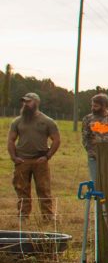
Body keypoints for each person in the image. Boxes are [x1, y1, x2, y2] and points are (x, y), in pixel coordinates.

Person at [7, 92, 61, 221]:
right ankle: (23, 217)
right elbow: (10, 140)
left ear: (36, 103)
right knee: (22, 190)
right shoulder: (17, 121)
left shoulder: (47, 121)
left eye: (28, 101)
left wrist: (48, 156)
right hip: (22, 161)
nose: (25, 104)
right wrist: (14, 157)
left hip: (40, 161)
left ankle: (48, 217)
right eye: (24, 101)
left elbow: (56, 140)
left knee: (44, 190)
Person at [81, 93, 108, 182]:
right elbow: (85, 138)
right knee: (96, 183)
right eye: (92, 105)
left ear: (104, 105)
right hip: (94, 157)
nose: (93, 108)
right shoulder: (87, 119)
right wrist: (93, 152)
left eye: (96, 106)